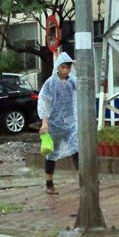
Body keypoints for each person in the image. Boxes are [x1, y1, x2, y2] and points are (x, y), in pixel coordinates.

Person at [37, 51, 79, 195]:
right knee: (51, 153)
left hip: (70, 122)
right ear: (57, 67)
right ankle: (49, 184)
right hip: (54, 123)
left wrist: (78, 68)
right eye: (62, 67)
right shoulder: (50, 84)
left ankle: (83, 179)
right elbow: (45, 102)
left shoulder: (72, 81)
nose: (65, 70)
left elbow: (84, 87)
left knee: (76, 148)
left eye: (67, 67)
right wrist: (45, 122)